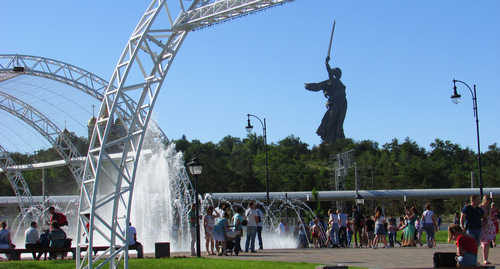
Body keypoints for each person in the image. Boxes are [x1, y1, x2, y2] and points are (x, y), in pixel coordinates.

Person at [304, 56, 347, 143]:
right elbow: (329, 73)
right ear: (337, 74)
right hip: (335, 103)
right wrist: (327, 63)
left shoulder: (340, 83)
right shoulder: (333, 81)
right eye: (340, 73)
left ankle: (339, 140)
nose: (341, 75)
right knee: (331, 120)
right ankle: (329, 139)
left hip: (343, 103)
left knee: (339, 123)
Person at [479, 195, 495, 264]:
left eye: (488, 199)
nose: (487, 200)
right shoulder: (480, 207)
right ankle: (482, 259)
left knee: (488, 243)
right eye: (486, 199)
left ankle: (486, 258)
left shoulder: (489, 208)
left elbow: (490, 216)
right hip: (483, 225)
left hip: (489, 225)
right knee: (484, 242)